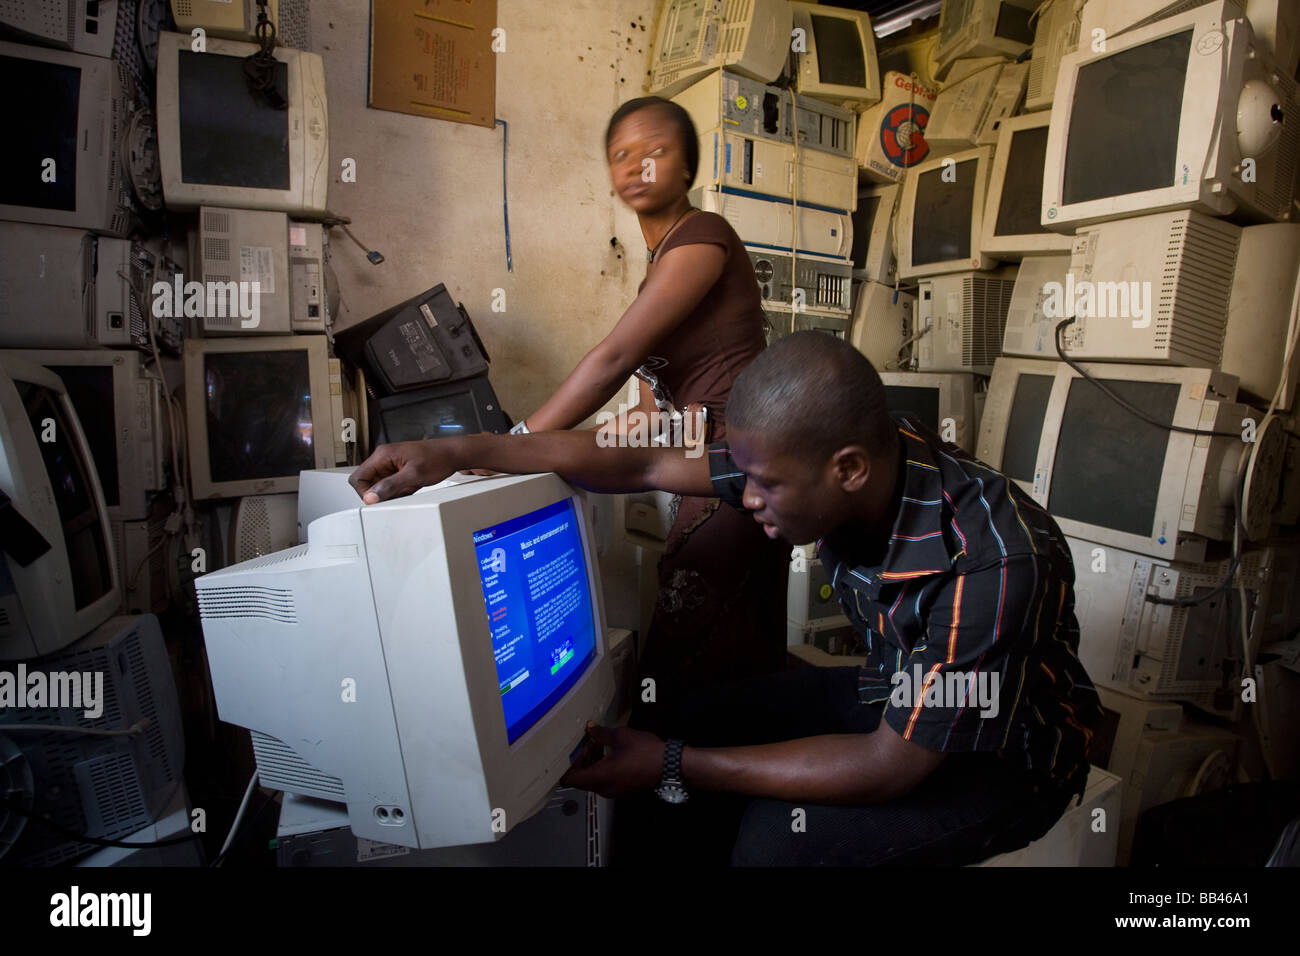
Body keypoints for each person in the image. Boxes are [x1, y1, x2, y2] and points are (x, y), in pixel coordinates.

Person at [349, 333, 1104, 866]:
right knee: (683, 713)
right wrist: (459, 451)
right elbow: (642, 460)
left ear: (846, 470)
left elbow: (890, 768)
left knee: (776, 842)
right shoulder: (855, 449)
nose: (745, 499)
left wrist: (673, 764)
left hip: (1003, 761)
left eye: (764, 486)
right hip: (898, 691)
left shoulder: (993, 566)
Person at [504, 95, 789, 713]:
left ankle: (683, 789)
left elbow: (611, 358)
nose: (639, 166)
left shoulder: (704, 237)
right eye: (622, 155)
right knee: (718, 669)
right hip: (697, 458)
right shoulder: (659, 271)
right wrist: (569, 450)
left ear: (688, 168)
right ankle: (708, 783)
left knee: (689, 670)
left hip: (736, 464)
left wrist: (515, 444)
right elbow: (646, 413)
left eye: (657, 151)